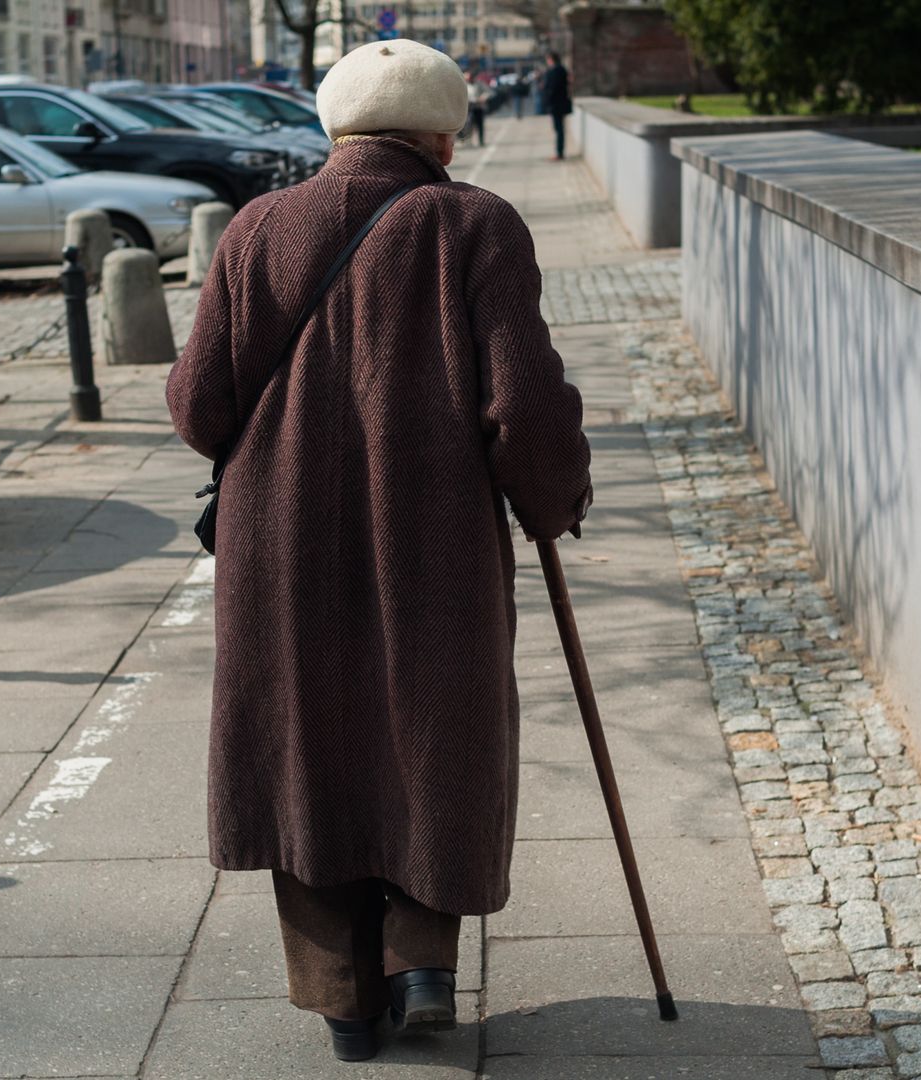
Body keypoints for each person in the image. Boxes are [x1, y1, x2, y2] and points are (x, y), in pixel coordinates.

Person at [167, 38, 592, 1065]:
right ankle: (423, 960)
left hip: (280, 544)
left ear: (334, 128)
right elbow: (524, 404)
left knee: (306, 745)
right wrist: (552, 499)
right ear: (444, 133)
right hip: (432, 544)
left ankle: (345, 1005)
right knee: (432, 731)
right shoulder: (474, 222)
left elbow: (195, 406)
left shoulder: (257, 227)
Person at [541, 51, 572, 160]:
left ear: (551, 59)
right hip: (560, 103)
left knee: (559, 129)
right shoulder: (561, 70)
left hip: (556, 104)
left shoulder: (555, 71)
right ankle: (560, 152)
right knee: (559, 129)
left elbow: (552, 88)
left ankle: (560, 153)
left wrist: (547, 101)